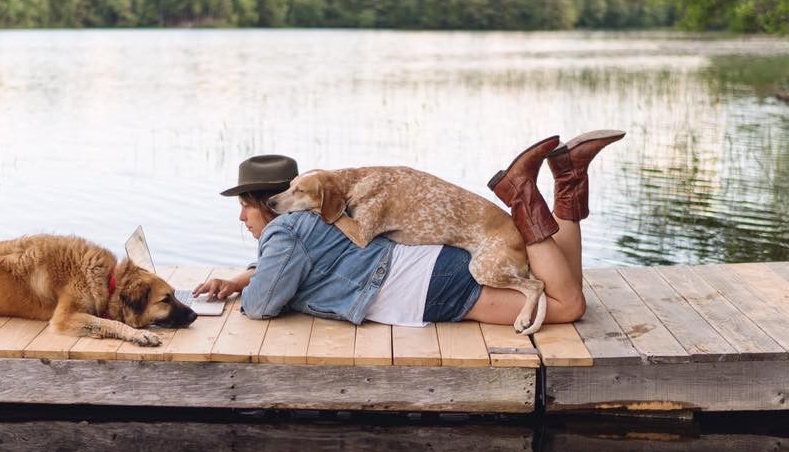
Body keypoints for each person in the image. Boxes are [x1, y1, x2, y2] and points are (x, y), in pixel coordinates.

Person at [193, 132, 624, 328]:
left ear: (264, 205)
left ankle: (522, 194)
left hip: (426, 287)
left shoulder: (284, 232)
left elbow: (263, 305)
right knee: (564, 279)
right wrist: (238, 279)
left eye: (244, 209)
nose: (242, 219)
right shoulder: (317, 211)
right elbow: (293, 264)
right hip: (433, 264)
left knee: (566, 306)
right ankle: (568, 178)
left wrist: (244, 293)